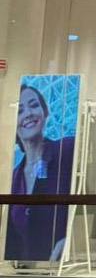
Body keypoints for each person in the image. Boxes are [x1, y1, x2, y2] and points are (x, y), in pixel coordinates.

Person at [7, 83, 75, 264]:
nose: (28, 113)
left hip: (64, 267)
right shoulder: (14, 178)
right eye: (20, 111)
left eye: (34, 105)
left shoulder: (68, 150)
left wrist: (71, 240)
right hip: (29, 271)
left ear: (44, 112)